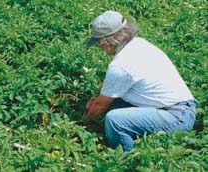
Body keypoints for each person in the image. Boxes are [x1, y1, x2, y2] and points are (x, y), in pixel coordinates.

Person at [84, 11, 197, 152]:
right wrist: (95, 97)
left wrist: (84, 122)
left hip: (175, 117)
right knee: (116, 101)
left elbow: (101, 105)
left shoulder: (121, 65)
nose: (100, 48)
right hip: (183, 109)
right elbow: (110, 84)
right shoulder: (138, 44)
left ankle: (126, 160)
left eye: (100, 44)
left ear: (107, 42)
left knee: (114, 120)